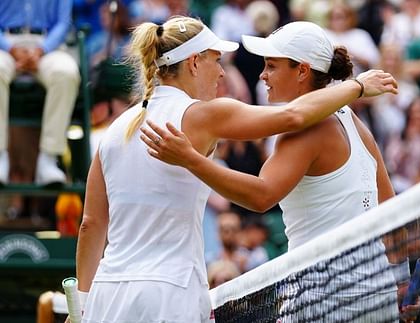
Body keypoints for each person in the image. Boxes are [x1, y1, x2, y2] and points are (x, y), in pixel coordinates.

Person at [75, 16, 398, 323]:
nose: (222, 73)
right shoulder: (207, 115)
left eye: (270, 65)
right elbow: (293, 118)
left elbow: (91, 224)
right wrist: (356, 87)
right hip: (171, 291)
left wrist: (81, 305)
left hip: (107, 293)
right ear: (194, 62)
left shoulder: (115, 130)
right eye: (217, 61)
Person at [0, 0, 81, 185]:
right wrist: (10, 48)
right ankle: (0, 157)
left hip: (47, 46)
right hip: (4, 45)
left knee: (66, 73)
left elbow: (63, 22)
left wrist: (41, 50)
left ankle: (48, 159)